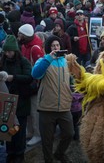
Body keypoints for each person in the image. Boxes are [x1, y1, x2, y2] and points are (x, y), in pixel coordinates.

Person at [32, 35, 74, 163]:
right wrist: (49, 58)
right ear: (48, 48)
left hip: (64, 106)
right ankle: (48, 160)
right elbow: (35, 74)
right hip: (47, 107)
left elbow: (71, 80)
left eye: (58, 45)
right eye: (53, 46)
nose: (56, 48)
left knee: (69, 133)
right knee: (47, 139)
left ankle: (59, 153)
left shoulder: (67, 62)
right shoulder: (43, 61)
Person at [0, 35, 33, 163]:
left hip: (21, 101)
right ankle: (10, 152)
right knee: (8, 128)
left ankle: (20, 153)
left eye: (10, 51)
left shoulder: (23, 61)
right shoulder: (2, 61)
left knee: (20, 130)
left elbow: (29, 77)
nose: (8, 54)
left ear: (15, 50)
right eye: (6, 51)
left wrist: (12, 77)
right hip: (7, 101)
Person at [17, 24, 44, 146]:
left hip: (34, 85)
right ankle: (30, 131)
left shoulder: (35, 48)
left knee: (34, 111)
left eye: (20, 34)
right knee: (28, 109)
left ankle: (37, 134)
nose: (18, 36)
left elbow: (41, 68)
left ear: (25, 35)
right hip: (27, 83)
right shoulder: (25, 45)